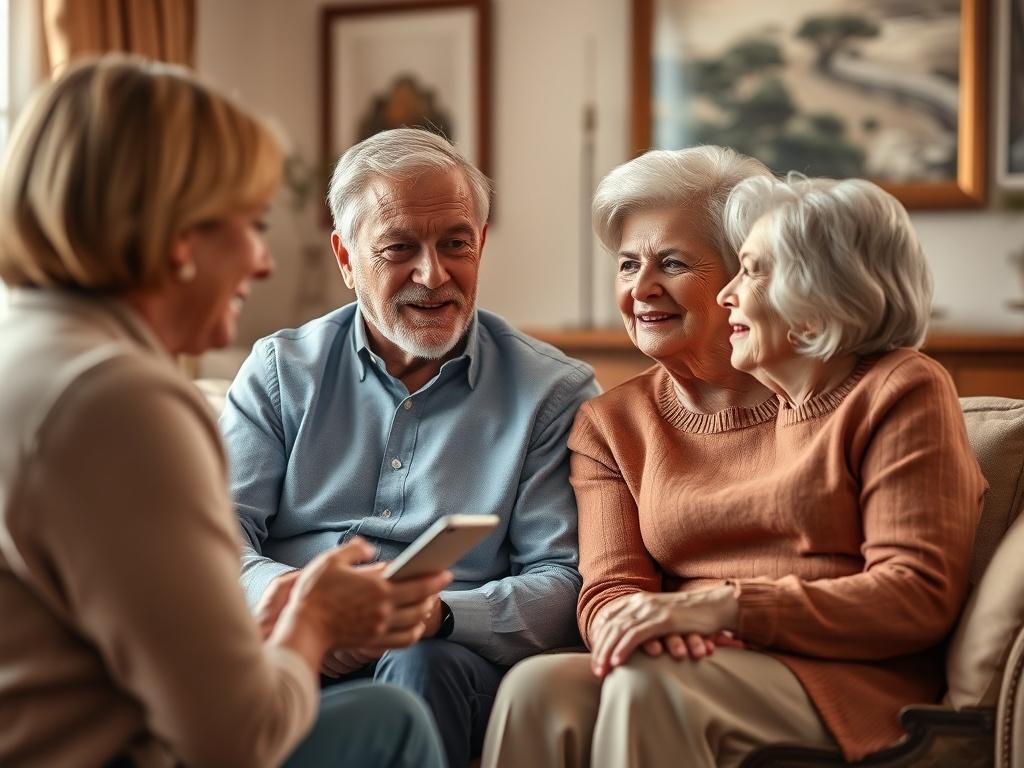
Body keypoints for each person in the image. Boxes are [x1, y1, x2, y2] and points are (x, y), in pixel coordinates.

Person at [0, 55, 449, 768]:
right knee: (389, 722)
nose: (263, 262)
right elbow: (237, 740)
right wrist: (314, 620)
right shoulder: (117, 400)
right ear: (181, 238)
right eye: (252, 224)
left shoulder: (26, 348)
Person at [482, 155, 986, 768]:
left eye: (671, 262)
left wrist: (723, 609)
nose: (641, 288)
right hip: (684, 654)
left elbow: (914, 595)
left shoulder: (888, 388)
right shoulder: (612, 424)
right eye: (627, 264)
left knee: (650, 685)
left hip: (842, 674)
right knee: (535, 691)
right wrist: (656, 626)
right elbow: (610, 586)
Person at [220, 127, 600, 768]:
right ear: (345, 258)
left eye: (455, 244)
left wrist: (432, 617)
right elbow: (217, 536)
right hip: (285, 638)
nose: (433, 274)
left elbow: (564, 582)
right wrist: (307, 609)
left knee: (421, 662)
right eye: (399, 248)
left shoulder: (553, 393)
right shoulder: (280, 371)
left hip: (441, 658)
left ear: (480, 243)